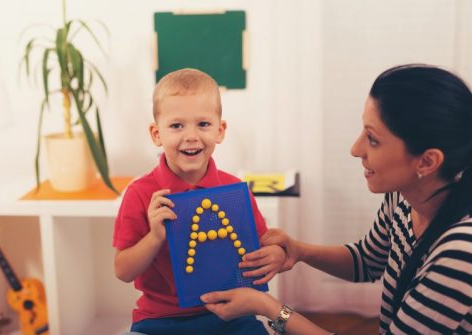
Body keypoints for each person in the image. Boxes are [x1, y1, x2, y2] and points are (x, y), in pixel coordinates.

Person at [201, 64, 472, 335]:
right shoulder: (403, 198)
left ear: (427, 161)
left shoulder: (460, 253)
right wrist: (298, 251)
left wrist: (269, 307)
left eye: (373, 139)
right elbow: (367, 261)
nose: (355, 149)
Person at [113, 68, 285, 335]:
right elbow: (123, 271)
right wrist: (154, 237)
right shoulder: (140, 193)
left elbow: (262, 246)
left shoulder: (234, 190)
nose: (191, 136)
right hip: (158, 321)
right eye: (176, 125)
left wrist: (276, 254)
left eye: (203, 124)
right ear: (157, 134)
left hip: (232, 316)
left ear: (220, 130)